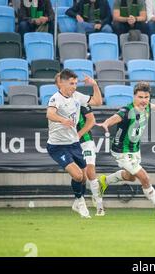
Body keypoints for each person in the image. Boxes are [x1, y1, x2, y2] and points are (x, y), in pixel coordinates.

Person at [97, 82, 155, 218]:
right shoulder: (127, 111)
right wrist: (106, 123)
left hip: (134, 149)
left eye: (146, 97)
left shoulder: (148, 107)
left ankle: (104, 181)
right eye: (140, 97)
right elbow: (115, 117)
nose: (143, 100)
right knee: (144, 178)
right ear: (134, 96)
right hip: (122, 151)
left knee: (131, 177)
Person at [46, 69, 103, 218]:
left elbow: (98, 102)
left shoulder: (77, 96)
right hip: (57, 146)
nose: (74, 86)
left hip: (74, 144)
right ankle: (81, 202)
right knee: (78, 175)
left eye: (76, 83)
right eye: (71, 83)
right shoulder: (55, 98)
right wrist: (62, 120)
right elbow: (49, 114)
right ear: (62, 83)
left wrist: (95, 85)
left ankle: (77, 202)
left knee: (83, 177)